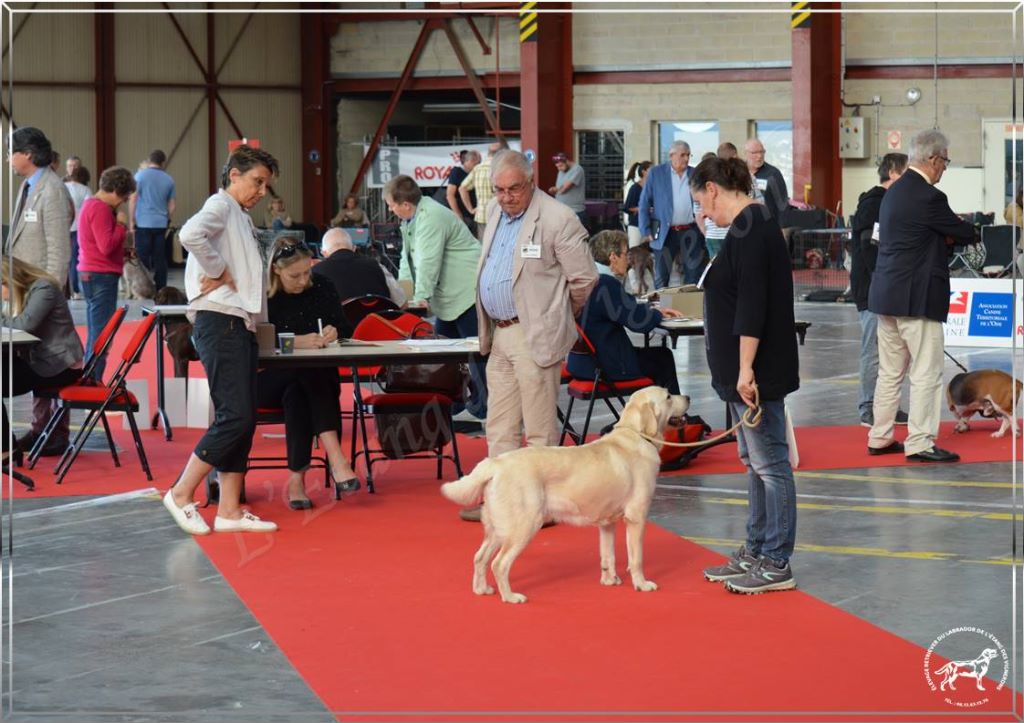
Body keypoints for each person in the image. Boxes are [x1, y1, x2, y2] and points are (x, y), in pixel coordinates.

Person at [465, 149, 598, 521]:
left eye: (514, 189)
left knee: (539, 432)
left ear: (531, 181)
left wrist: (555, 316)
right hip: (499, 333)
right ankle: (501, 505)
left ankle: (541, 509)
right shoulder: (493, 211)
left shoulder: (559, 218)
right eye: (499, 190)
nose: (506, 197)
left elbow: (584, 280)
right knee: (500, 426)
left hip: (535, 334)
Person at [690, 155, 800, 594]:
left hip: (757, 370)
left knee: (770, 465)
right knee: (754, 463)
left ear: (714, 188)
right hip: (743, 371)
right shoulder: (742, 230)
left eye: (701, 200)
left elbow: (752, 307)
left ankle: (777, 560)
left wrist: (745, 369)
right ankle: (756, 548)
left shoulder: (753, 229)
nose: (702, 210)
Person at [162, 144, 280, 536]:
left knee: (242, 419)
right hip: (220, 320)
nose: (262, 190)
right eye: (256, 181)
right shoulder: (223, 205)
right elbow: (190, 234)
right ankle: (181, 492)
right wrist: (219, 268)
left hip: (236, 323)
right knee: (236, 417)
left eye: (266, 184)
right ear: (233, 175)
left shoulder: (238, 213)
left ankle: (229, 509)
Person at [867, 129, 975, 464]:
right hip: (917, 298)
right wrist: (947, 236)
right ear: (932, 158)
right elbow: (965, 232)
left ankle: (880, 436)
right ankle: (920, 442)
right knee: (926, 373)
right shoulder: (930, 197)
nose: (945, 168)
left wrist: (940, 237)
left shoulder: (893, 193)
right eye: (945, 160)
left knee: (889, 373)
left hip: (886, 295)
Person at [259, 238, 360, 509]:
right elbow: (257, 340)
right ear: (276, 271)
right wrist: (293, 342)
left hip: (307, 382)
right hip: (268, 378)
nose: (303, 280)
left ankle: (296, 480)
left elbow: (344, 327)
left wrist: (334, 331)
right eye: (295, 275)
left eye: (307, 272)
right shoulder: (263, 295)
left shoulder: (322, 286)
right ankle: (337, 459)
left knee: (299, 390)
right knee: (307, 372)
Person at [385, 174, 486, 418]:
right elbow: (407, 261)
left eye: (391, 205)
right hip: (450, 296)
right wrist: (404, 295)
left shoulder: (430, 218)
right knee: (444, 353)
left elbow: (427, 261)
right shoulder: (412, 219)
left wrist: (420, 298)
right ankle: (456, 402)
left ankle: (484, 407)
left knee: (476, 352)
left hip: (466, 291)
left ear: (405, 204)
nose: (390, 209)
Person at [5, 127, 73, 454]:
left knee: (46, 361)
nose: (7, 158)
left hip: (40, 296)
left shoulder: (53, 190)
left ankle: (54, 434)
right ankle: (41, 430)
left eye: (10, 151)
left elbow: (59, 253)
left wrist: (47, 298)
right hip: (25, 292)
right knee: (32, 360)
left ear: (28, 154)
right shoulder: (28, 188)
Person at [568, 230, 684, 393]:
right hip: (603, 366)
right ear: (613, 257)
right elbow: (637, 322)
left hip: (580, 362)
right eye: (625, 254)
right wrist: (657, 313)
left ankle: (660, 415)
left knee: (656, 356)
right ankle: (674, 417)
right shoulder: (604, 283)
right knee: (663, 358)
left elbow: (623, 309)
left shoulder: (583, 279)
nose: (628, 260)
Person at [849, 153, 910, 429]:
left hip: (886, 287)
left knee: (891, 351)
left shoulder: (891, 203)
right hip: (873, 289)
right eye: (908, 171)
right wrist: (882, 282)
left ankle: (887, 405)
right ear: (895, 173)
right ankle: (867, 408)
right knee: (873, 350)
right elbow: (868, 247)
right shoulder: (873, 204)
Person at [2, 257, 84, 459]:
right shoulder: (26, 292)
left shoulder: (43, 289)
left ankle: (5, 449)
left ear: (8, 280)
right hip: (41, 359)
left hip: (60, 365)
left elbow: (23, 326)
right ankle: (6, 447)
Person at [77, 166, 137, 382]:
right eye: (123, 197)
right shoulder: (101, 209)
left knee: (97, 330)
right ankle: (93, 380)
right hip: (101, 275)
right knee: (102, 334)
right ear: (115, 191)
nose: (122, 202)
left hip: (92, 272)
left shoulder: (90, 205)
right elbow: (106, 245)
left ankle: (90, 378)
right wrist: (121, 224)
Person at [639, 140, 705, 287]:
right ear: (671, 155)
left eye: (688, 155)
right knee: (662, 276)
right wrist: (645, 230)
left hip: (691, 230)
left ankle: (690, 308)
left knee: (693, 274)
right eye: (682, 155)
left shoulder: (695, 174)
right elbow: (644, 202)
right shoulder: (657, 173)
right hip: (664, 231)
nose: (686, 159)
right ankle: (660, 310)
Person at [313, 227, 398, 321]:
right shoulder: (376, 265)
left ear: (323, 253)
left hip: (339, 334)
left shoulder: (316, 272)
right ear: (353, 248)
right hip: (379, 330)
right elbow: (401, 303)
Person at [130, 149, 176, 291]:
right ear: (163, 162)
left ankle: (143, 287)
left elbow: (133, 199)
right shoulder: (169, 179)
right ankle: (161, 287)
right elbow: (172, 205)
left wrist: (132, 221)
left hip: (142, 223)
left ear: (149, 161)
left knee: (142, 258)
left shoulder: (139, 176)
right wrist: (167, 218)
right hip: (160, 224)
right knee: (160, 258)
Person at [460, 141, 506, 241]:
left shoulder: (477, 168)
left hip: (481, 215)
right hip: (500, 215)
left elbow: (462, 188)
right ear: (501, 154)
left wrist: (470, 209)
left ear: (488, 153)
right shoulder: (502, 168)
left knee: (484, 248)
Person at [744, 138, 789, 225]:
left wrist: (783, 228)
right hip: (744, 226)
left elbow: (782, 204)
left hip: (767, 225)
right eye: (755, 153)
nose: (759, 156)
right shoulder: (739, 172)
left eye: (762, 152)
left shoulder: (773, 173)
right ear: (746, 154)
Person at [65, 165, 92, 298]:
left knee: (63, 259)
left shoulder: (62, 186)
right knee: (75, 259)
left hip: (63, 226)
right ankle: (75, 290)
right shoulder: (85, 189)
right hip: (78, 228)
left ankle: (64, 289)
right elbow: (89, 208)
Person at [548, 151, 588, 229]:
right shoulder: (561, 171)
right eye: (557, 167)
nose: (559, 168)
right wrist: (554, 190)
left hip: (574, 212)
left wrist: (555, 190)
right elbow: (559, 188)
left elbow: (565, 188)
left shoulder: (577, 170)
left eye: (561, 166)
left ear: (567, 161)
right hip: (562, 211)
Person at [445, 150, 479, 231]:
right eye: (476, 163)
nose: (478, 165)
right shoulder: (457, 172)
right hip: (464, 216)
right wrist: (458, 215)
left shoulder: (474, 173)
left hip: (474, 216)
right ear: (468, 161)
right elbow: (450, 195)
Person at [622, 160, 651, 249]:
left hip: (651, 225)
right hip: (636, 225)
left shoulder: (653, 188)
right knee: (635, 251)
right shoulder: (635, 188)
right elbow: (627, 207)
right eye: (651, 169)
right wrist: (642, 209)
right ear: (644, 171)